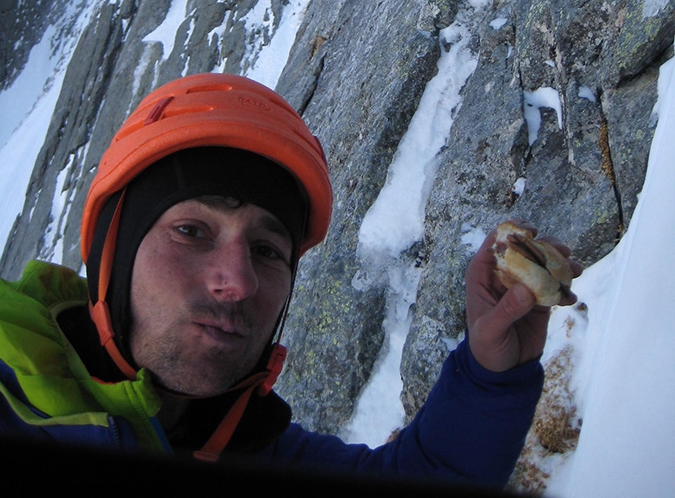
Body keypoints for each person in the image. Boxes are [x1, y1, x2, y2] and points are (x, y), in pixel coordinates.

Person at [0, 73, 580, 487]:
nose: (238, 281)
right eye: (192, 231)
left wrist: (489, 375)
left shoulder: (243, 444)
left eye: (266, 249)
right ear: (113, 252)